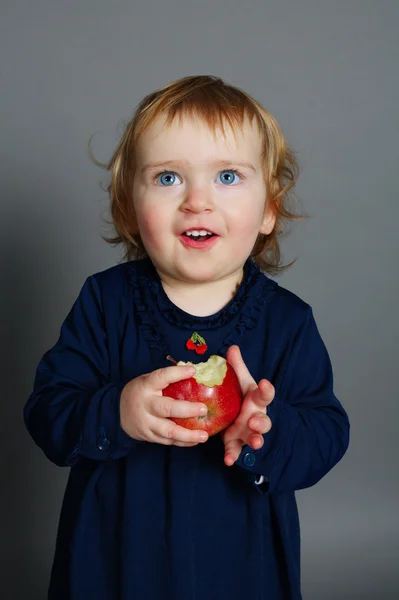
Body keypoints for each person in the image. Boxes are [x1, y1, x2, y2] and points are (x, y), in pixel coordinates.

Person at [24, 75, 350, 600]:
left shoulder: (288, 320)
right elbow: (47, 412)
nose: (197, 201)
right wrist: (118, 411)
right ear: (130, 209)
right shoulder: (105, 303)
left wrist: (267, 431)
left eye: (227, 176)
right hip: (115, 559)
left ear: (269, 208)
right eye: (169, 178)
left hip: (239, 561)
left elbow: (327, 433)